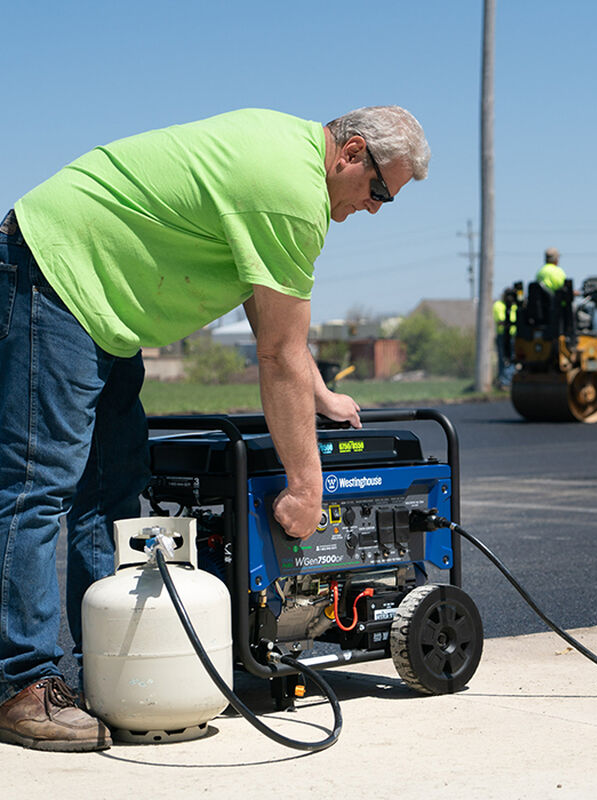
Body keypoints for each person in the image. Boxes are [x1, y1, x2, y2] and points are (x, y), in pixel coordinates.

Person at [0, 105, 430, 752]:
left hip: (104, 303)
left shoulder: (288, 158)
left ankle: (107, 674)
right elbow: (276, 354)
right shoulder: (291, 194)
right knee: (38, 485)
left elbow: (279, 329)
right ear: (352, 153)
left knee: (113, 491)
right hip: (57, 274)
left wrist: (318, 394)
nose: (374, 207)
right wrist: (306, 488)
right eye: (378, 192)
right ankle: (22, 688)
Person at [492, 292, 517, 388]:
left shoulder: (515, 306)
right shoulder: (498, 305)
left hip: (513, 336)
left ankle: (508, 380)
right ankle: (503, 381)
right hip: (503, 335)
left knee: (514, 359)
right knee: (503, 359)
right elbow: (500, 320)